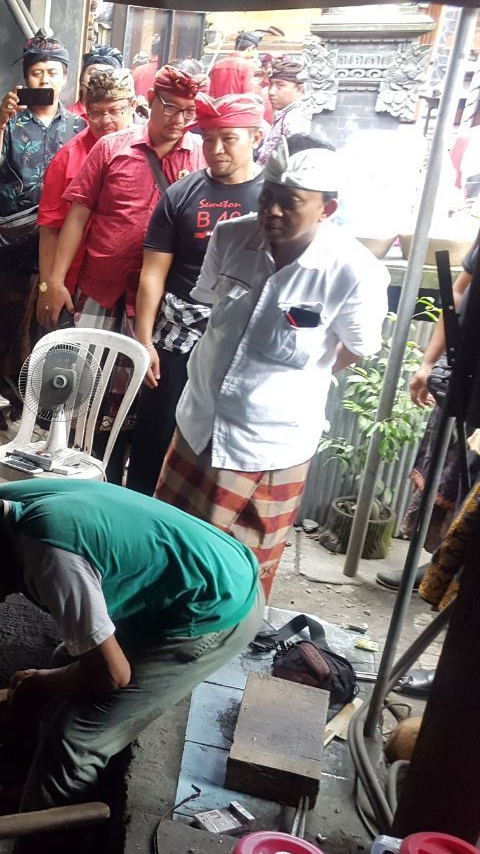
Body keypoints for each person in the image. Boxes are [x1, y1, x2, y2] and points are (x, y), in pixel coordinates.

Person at [0, 479, 262, 815]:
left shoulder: (51, 560)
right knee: (64, 662)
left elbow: (112, 674)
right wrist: (51, 678)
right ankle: (36, 787)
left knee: (74, 738)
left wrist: (43, 682)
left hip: (213, 607)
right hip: (189, 572)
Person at [155, 137, 388, 598]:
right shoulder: (230, 237)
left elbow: (357, 347)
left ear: (327, 208)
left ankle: (215, 649)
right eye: (268, 197)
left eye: (290, 203)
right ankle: (148, 635)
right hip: (198, 424)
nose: (272, 211)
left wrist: (296, 381)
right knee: (168, 546)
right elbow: (212, 307)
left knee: (239, 569)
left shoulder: (353, 271)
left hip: (268, 443)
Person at [40, 64, 207, 481]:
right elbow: (75, 216)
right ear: (148, 102)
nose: (179, 120)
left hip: (160, 302)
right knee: (86, 388)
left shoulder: (202, 157)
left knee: (143, 392)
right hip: (101, 287)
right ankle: (87, 471)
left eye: (189, 112)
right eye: (170, 107)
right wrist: (56, 281)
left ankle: (130, 481)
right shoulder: (112, 147)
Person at [129, 94, 266, 497]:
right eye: (208, 139)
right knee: (155, 438)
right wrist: (144, 340)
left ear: (256, 137)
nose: (216, 149)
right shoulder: (181, 194)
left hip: (239, 344)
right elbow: (153, 273)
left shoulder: (271, 201)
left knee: (219, 451)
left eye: (229, 139)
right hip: (176, 338)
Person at [0, 34, 85, 426]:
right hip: (8, 236)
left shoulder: (79, 127)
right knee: (0, 316)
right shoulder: (5, 121)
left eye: (52, 71)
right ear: (25, 78)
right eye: (36, 72)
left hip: (56, 239)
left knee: (44, 318)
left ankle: (31, 398)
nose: (44, 79)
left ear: (66, 77)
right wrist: (1, 123)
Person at [378, 228, 479, 590]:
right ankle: (439, 565)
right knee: (450, 471)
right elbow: (458, 291)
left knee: (473, 481)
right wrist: (428, 362)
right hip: (462, 374)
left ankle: (456, 576)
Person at [36, 69, 136, 318]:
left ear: (132, 106)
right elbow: (50, 229)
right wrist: (48, 286)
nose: (105, 120)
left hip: (134, 286)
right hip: (76, 286)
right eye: (97, 112)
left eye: (115, 110)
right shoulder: (68, 158)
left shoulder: (146, 151)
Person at [256, 57, 313, 166]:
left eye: (280, 86)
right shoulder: (287, 112)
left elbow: (294, 163)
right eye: (271, 85)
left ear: (299, 89)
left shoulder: (295, 118)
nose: (271, 92)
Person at [67, 45, 126, 119]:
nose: (99, 78)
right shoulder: (66, 119)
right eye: (93, 73)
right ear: (81, 80)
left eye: (108, 73)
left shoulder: (123, 120)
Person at [208, 31, 265, 97]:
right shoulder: (247, 66)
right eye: (255, 49)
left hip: (219, 106)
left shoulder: (217, 65)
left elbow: (212, 94)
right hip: (238, 106)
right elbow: (248, 95)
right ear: (250, 48)